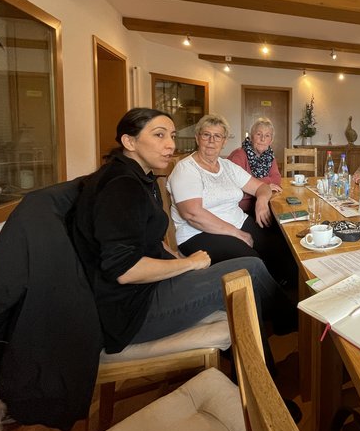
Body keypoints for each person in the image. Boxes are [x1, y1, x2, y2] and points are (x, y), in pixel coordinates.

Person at [71, 108, 294, 355]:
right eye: (159, 135)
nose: (169, 145)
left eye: (172, 136)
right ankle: (285, 340)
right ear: (129, 141)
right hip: (132, 312)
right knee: (249, 269)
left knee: (274, 250)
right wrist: (189, 264)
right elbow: (125, 270)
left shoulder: (136, 179)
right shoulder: (120, 187)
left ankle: (275, 347)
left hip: (150, 287)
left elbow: (149, 241)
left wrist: (176, 258)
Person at [168, 114, 296, 287]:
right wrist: (236, 233)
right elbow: (193, 214)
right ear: (198, 138)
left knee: (283, 246)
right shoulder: (186, 169)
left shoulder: (227, 166)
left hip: (237, 221)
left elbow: (262, 187)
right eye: (206, 135)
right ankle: (277, 308)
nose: (212, 140)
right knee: (252, 262)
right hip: (198, 233)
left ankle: (289, 288)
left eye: (218, 136)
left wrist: (261, 201)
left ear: (224, 141)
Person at [227, 117, 283, 214]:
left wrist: (257, 186)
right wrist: (265, 186)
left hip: (264, 203)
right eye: (259, 134)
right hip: (240, 209)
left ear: (271, 141)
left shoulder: (269, 156)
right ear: (252, 137)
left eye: (267, 136)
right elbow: (237, 189)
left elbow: (277, 179)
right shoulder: (239, 155)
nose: (262, 139)